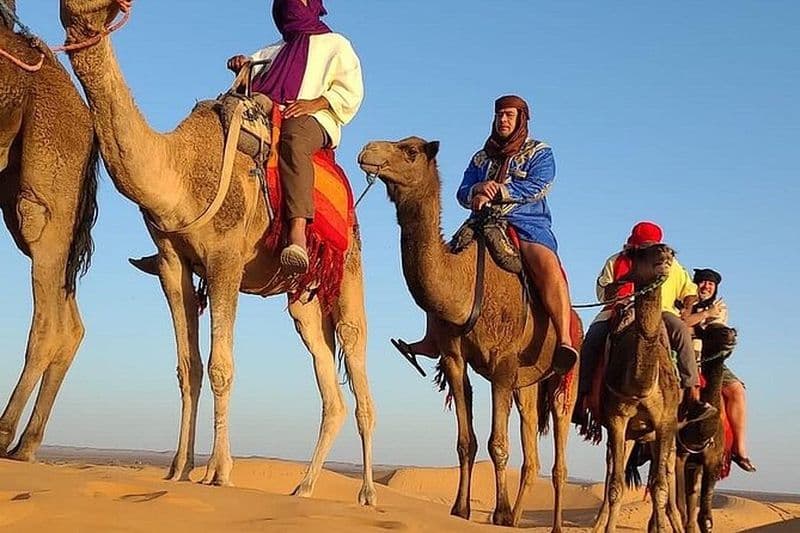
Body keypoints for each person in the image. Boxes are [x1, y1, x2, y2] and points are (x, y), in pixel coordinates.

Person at [129, 0, 363, 275]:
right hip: (266, 109)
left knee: (294, 140)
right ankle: (173, 241)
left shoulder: (335, 45)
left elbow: (350, 90)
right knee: (210, 122)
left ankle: (297, 232)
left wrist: (315, 103)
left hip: (312, 117)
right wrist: (241, 66)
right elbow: (249, 78)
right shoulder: (272, 50)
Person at [392, 95, 578, 375]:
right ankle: (433, 339)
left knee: (548, 266)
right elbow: (462, 192)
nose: (503, 120)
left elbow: (541, 185)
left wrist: (501, 191)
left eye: (509, 115)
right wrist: (477, 191)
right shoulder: (481, 157)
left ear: (521, 119)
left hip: (526, 224)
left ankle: (564, 339)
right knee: (437, 262)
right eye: (499, 115)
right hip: (482, 222)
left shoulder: (539, 152)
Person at [577, 221, 715, 422]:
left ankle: (693, 396)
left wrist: (687, 306)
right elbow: (602, 292)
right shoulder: (616, 261)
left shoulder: (669, 263)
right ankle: (581, 399)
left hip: (661, 311)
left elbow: (689, 290)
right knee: (592, 340)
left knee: (681, 332)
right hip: (619, 309)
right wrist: (627, 280)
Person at [687, 268, 756, 472]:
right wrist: (704, 315)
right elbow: (682, 324)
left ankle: (739, 449)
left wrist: (695, 320)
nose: (706, 286)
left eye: (711, 284)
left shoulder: (720, 307)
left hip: (710, 359)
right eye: (703, 282)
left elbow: (711, 332)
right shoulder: (683, 301)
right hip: (684, 355)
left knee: (737, 390)